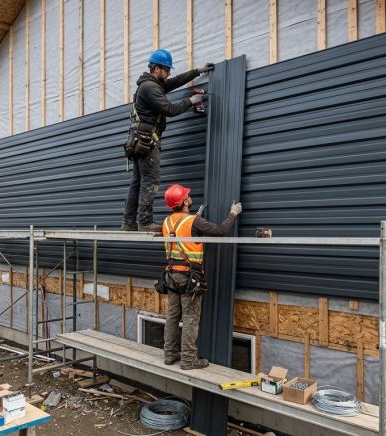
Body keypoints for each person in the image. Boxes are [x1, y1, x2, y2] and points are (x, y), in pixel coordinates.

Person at [122, 49, 215, 233]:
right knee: (150, 181)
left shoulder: (150, 84)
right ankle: (145, 223)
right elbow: (170, 109)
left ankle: (129, 223)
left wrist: (197, 71)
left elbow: (172, 83)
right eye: (166, 69)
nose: (169, 73)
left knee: (138, 182)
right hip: (147, 142)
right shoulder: (150, 87)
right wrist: (191, 100)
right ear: (157, 68)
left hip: (139, 141)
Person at [159, 184, 242, 370]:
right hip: (189, 277)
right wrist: (233, 214)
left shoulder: (166, 222)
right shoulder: (194, 221)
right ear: (184, 202)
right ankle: (188, 360)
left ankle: (169, 355)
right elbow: (221, 230)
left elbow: (182, 230)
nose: (190, 196)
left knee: (172, 315)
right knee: (190, 317)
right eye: (187, 195)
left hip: (171, 275)